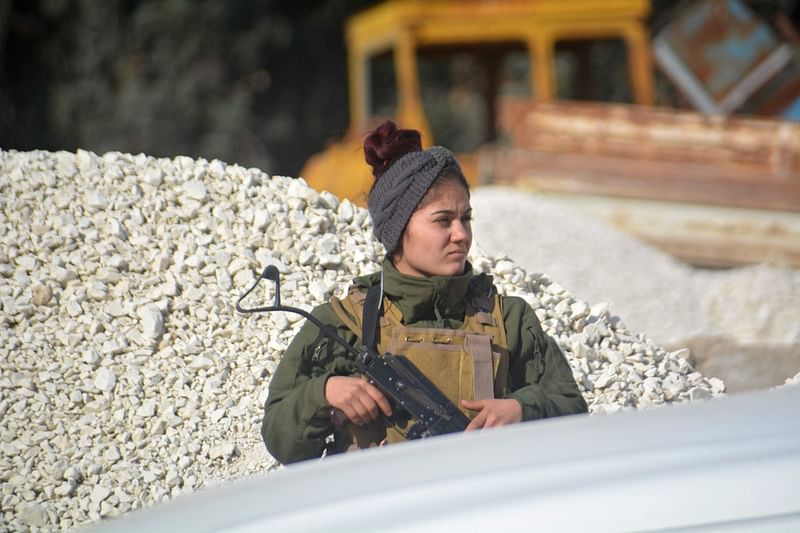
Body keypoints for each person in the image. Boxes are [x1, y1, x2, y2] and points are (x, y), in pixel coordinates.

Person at [262, 121, 587, 464]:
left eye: (466, 218)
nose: (461, 234)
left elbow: (571, 407)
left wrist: (520, 410)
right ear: (399, 230)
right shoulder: (345, 323)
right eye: (443, 221)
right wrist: (324, 393)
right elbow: (280, 440)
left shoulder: (507, 318)